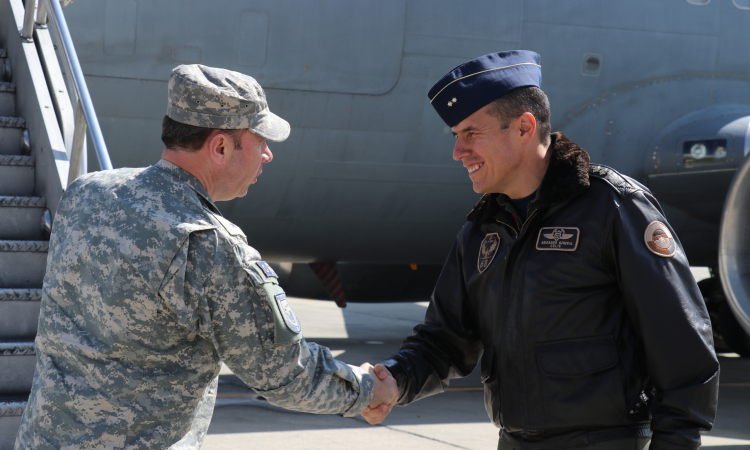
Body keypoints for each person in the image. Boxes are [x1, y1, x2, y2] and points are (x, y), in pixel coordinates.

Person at [15, 64, 397, 449]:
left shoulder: (86, 192)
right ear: (220, 147)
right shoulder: (206, 243)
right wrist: (365, 389)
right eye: (260, 140)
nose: (267, 155)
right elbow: (281, 372)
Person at [361, 51, 719, 450]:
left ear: (524, 127)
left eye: (471, 134)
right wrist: (394, 381)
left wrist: (677, 442)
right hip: (514, 441)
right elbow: (444, 340)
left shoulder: (612, 207)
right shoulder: (481, 231)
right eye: (456, 136)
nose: (458, 152)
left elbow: (682, 343)